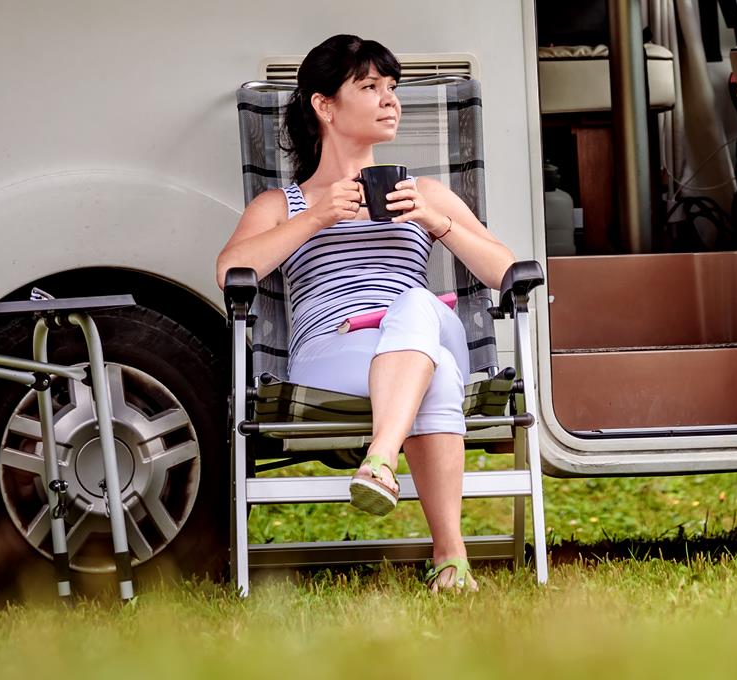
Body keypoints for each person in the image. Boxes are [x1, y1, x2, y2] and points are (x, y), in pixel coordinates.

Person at [215, 34, 514, 593]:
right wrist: (316, 218)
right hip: (334, 351)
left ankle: (378, 459)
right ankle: (451, 559)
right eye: (371, 87)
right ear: (324, 106)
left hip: (423, 325)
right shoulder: (282, 204)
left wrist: (436, 221)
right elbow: (231, 270)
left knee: (416, 304)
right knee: (437, 372)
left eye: (392, 87)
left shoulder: (424, 193)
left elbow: (508, 271)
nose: (390, 99)